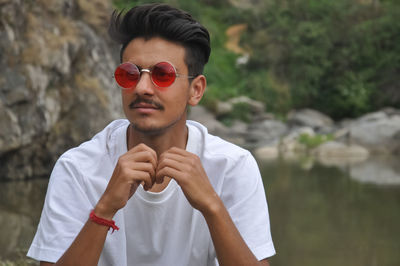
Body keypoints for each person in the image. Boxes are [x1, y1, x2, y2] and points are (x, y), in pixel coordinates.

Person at [27, 3, 275, 266]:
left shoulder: (232, 167)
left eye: (163, 74)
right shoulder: (78, 168)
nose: (143, 87)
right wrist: (105, 208)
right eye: (129, 74)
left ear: (196, 90)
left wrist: (212, 206)